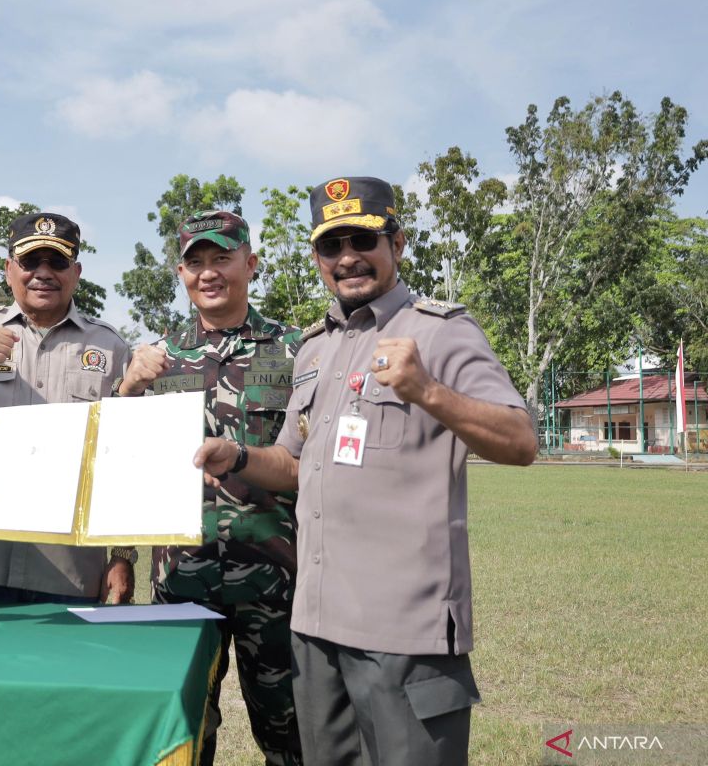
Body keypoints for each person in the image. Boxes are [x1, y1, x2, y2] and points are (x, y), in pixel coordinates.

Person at [195, 177, 537, 766]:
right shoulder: (314, 348)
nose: (348, 257)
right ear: (317, 259)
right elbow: (295, 463)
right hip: (316, 621)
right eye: (333, 246)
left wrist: (427, 389)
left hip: (403, 626)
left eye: (364, 239)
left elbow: (520, 441)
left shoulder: (441, 331)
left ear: (397, 244)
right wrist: (240, 458)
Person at [118, 210, 303, 765]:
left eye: (221, 258)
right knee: (184, 732)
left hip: (278, 578)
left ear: (251, 263)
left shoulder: (298, 350)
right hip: (181, 578)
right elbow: (118, 458)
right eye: (195, 262)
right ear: (180, 272)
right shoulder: (155, 358)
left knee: (291, 732)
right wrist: (128, 386)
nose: (208, 272)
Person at [0, 211, 135, 605]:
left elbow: (126, 461)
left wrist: (122, 557)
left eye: (57, 261)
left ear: (77, 271)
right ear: (9, 268)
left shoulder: (111, 348)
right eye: (31, 261)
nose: (43, 273)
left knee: (67, 667)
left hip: (72, 566)